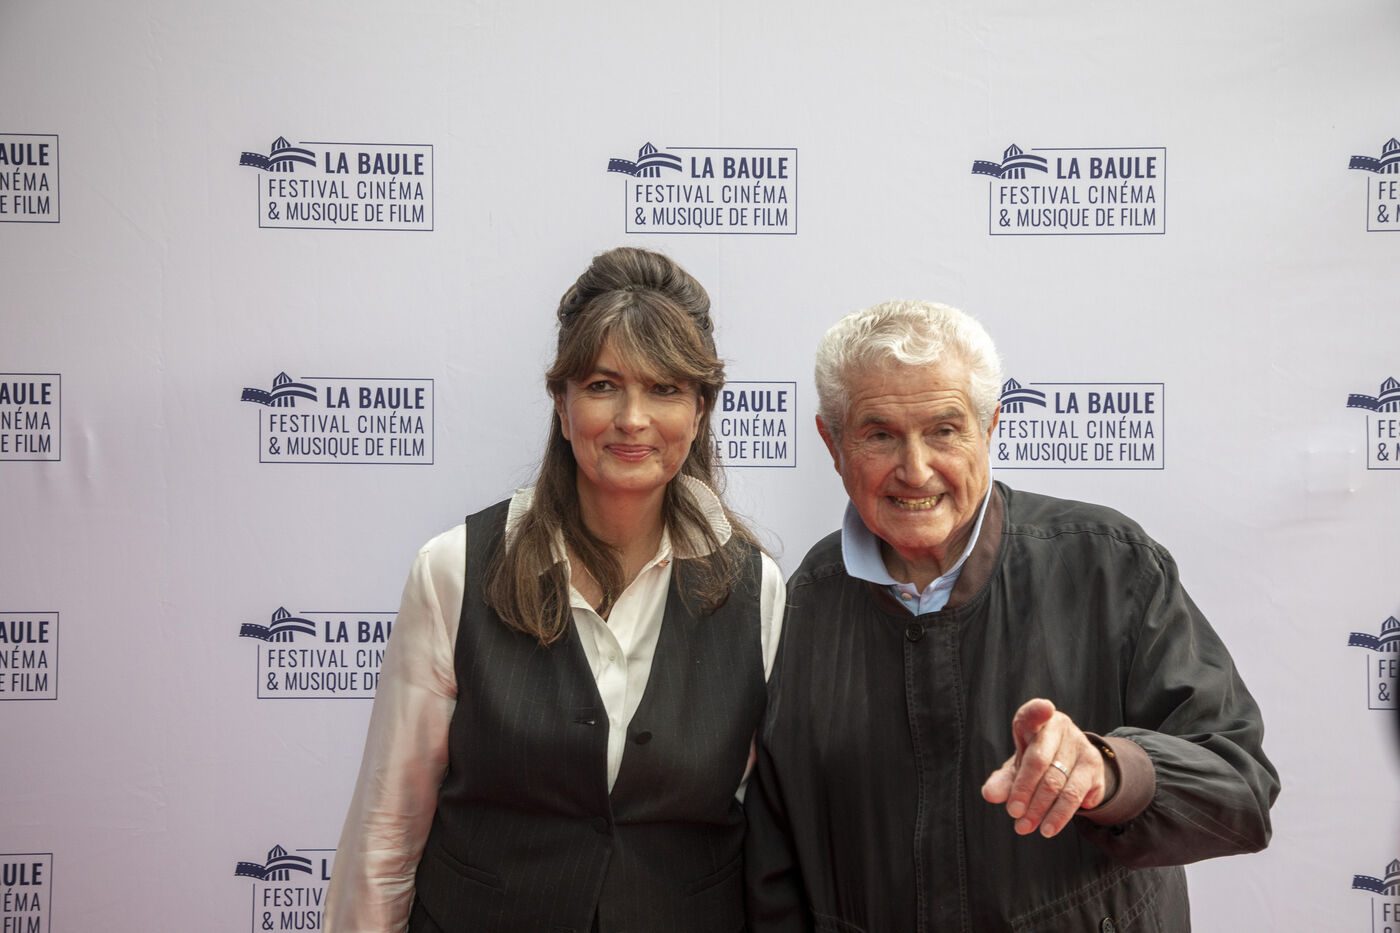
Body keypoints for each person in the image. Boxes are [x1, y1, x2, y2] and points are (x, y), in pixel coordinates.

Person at [745, 300, 1279, 932]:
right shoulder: (802, 601)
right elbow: (773, 860)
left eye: (944, 430)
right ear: (833, 444)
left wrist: (1112, 771)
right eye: (880, 434)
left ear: (990, 427)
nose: (915, 469)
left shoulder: (1110, 565)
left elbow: (1240, 790)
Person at [325, 247, 784, 933]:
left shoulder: (756, 588)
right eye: (603, 385)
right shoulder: (454, 568)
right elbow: (386, 831)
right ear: (562, 404)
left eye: (664, 388)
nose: (632, 418)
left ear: (700, 410)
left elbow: (762, 826)